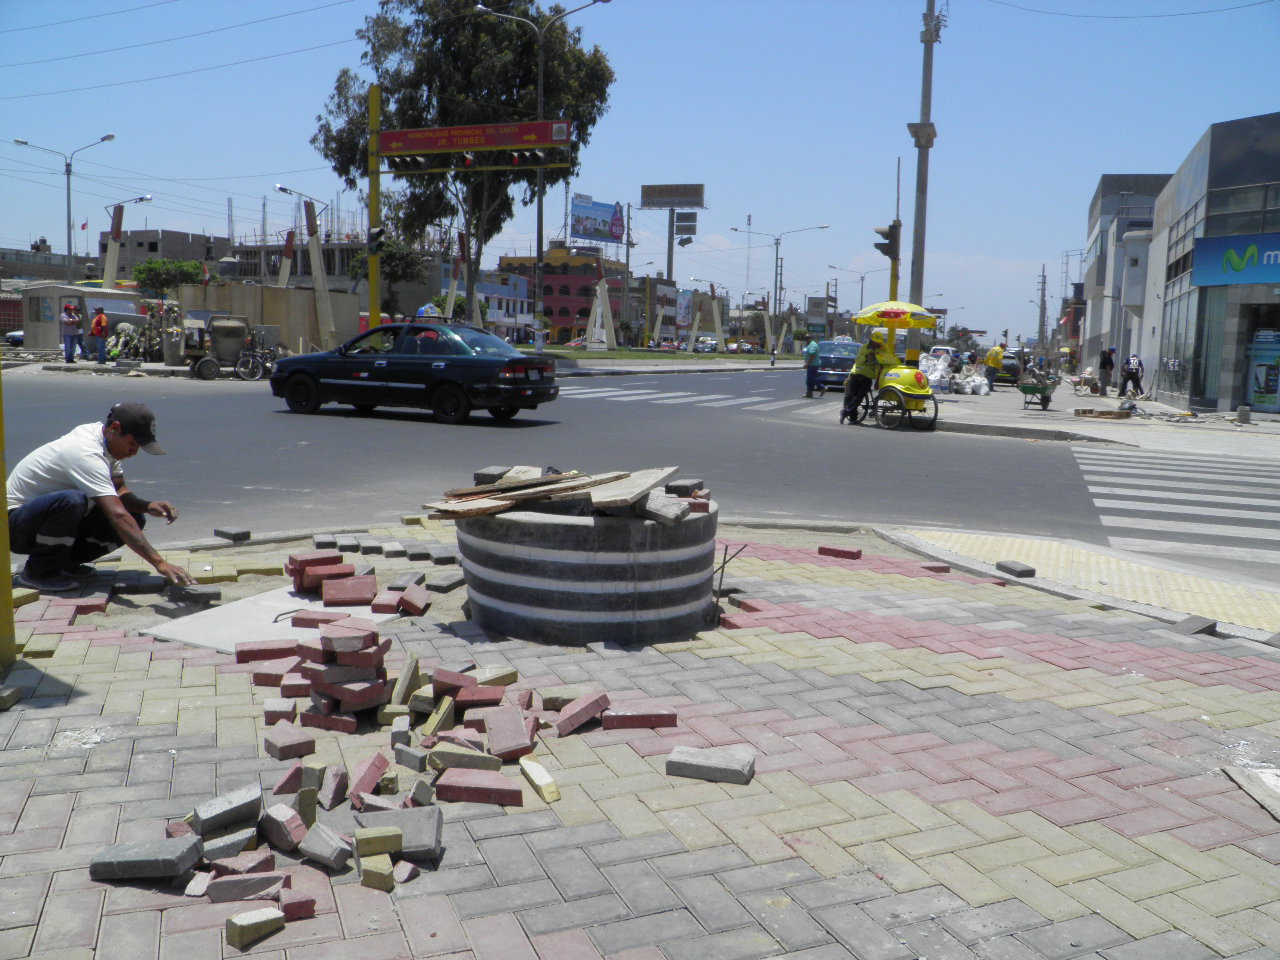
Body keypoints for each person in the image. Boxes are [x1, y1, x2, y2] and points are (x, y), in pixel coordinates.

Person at [6, 403, 195, 592]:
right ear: (115, 429)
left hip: (42, 522)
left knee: (135, 517)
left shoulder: (106, 443)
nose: (134, 452)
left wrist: (148, 506)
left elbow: (120, 491)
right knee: (73, 501)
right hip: (14, 526)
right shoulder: (85, 452)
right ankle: (39, 571)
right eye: (132, 444)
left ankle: (63, 563)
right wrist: (159, 563)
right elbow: (117, 515)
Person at [840, 328, 898, 424]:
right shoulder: (864, 347)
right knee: (851, 396)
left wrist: (880, 357)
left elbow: (889, 359)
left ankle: (845, 412)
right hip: (856, 373)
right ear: (871, 340)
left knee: (858, 398)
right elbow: (858, 361)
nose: (876, 344)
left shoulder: (884, 348)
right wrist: (866, 357)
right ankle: (853, 418)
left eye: (878, 343)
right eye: (875, 342)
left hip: (867, 376)